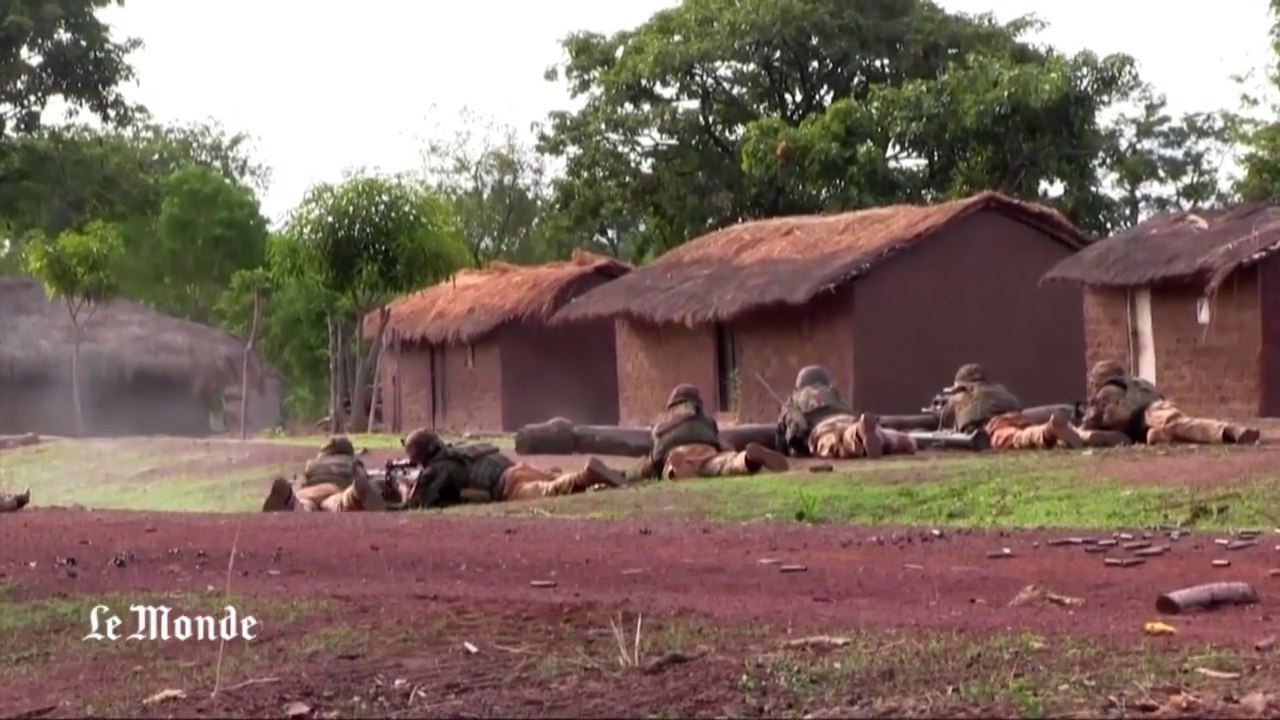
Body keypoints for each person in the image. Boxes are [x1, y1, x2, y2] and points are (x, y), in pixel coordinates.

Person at [397, 428, 626, 509]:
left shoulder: (437, 470)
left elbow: (415, 505)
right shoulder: (457, 452)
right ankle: (614, 476)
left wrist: (404, 487)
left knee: (549, 489)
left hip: (509, 485)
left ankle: (586, 475)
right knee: (552, 478)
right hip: (515, 469)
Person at [1082, 360, 1261, 445]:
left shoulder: (1108, 390)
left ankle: (1229, 431)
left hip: (1151, 413)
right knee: (1168, 431)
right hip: (1148, 420)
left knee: (1177, 424)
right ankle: (1160, 436)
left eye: (1093, 382)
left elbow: (1090, 423)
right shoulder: (1138, 383)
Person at [638, 384, 789, 480]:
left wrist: (650, 466)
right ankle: (747, 459)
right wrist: (730, 451)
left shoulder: (662, 422)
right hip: (708, 450)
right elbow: (719, 442)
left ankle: (677, 469)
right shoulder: (705, 419)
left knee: (672, 468)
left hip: (679, 452)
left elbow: (657, 455)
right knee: (726, 464)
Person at [775, 365, 917, 459]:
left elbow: (797, 427)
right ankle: (895, 439)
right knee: (869, 433)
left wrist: (794, 444)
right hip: (849, 420)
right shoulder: (833, 393)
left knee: (838, 443)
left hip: (822, 428)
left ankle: (858, 435)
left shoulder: (794, 400)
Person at [939, 363, 1083, 450]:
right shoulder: (997, 388)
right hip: (1016, 416)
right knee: (1028, 429)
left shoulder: (960, 396)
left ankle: (1049, 430)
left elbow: (944, 420)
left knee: (1016, 438)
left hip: (993, 425)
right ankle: (1084, 436)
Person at [261, 436, 386, 512]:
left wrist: (294, 491)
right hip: (335, 492)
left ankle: (288, 499)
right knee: (342, 503)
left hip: (308, 492)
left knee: (302, 506)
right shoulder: (352, 462)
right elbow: (364, 477)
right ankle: (355, 493)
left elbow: (300, 482)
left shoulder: (312, 464)